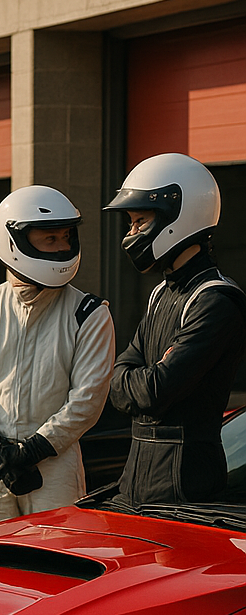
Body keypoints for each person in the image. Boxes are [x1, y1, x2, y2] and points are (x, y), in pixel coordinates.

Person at [0, 185, 115, 527]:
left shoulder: (89, 314)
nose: (64, 247)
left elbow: (88, 400)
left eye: (66, 237)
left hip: (55, 467)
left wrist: (34, 450)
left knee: (58, 570)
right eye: (50, 239)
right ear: (14, 242)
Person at [103, 152, 246, 505]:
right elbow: (117, 381)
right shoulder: (160, 294)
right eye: (130, 223)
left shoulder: (215, 300)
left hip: (186, 491)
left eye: (139, 222)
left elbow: (155, 390)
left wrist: (141, 378)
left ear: (177, 217)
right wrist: (141, 377)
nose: (131, 233)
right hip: (136, 481)